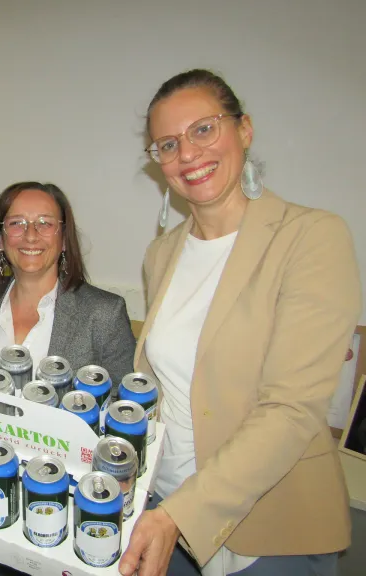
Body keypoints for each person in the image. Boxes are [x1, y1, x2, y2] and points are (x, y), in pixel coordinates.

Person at [119, 69, 361, 576]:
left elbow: (291, 409)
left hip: (269, 524)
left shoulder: (311, 237)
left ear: (244, 130)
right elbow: (164, 389)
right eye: (167, 144)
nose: (187, 154)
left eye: (203, 129)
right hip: (164, 503)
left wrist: (178, 516)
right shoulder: (161, 253)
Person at [0, 181, 136, 387]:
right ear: (0, 241)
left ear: (64, 240)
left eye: (45, 223)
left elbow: (120, 403)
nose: (31, 236)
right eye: (16, 223)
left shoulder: (105, 314)